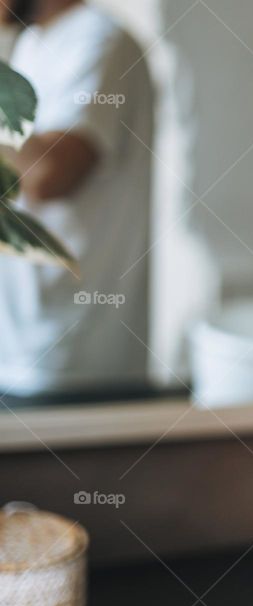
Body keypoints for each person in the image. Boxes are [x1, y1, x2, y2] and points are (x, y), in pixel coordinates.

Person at [0, 0, 153, 399]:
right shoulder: (32, 42)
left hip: (71, 360)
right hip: (21, 350)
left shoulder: (100, 40)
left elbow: (48, 174)